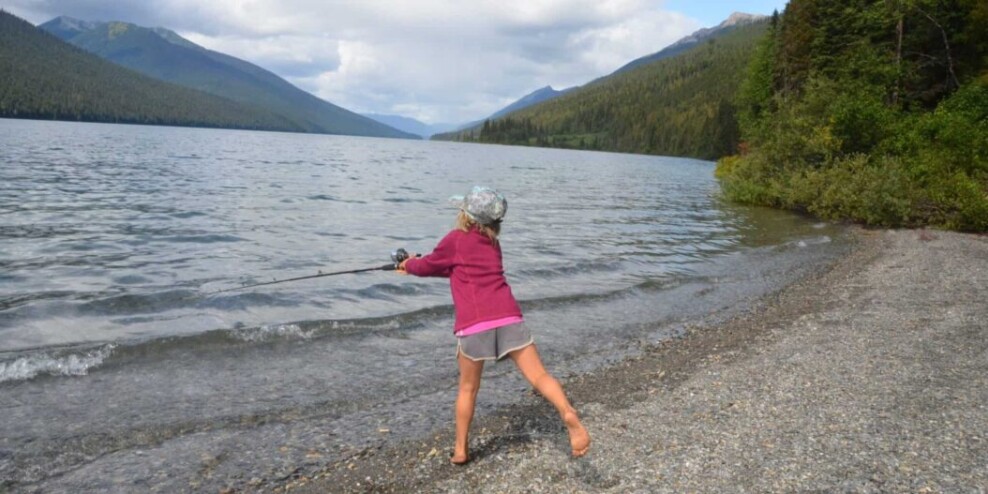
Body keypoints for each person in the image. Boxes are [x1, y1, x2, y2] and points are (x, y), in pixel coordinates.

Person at [397, 185, 590, 465]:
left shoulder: (455, 239)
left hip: (475, 326)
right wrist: (421, 264)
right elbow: (459, 269)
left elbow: (428, 266)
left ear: (466, 215)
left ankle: (461, 450)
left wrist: (408, 265)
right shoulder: (493, 244)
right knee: (539, 377)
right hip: (510, 318)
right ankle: (567, 412)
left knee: (467, 389)